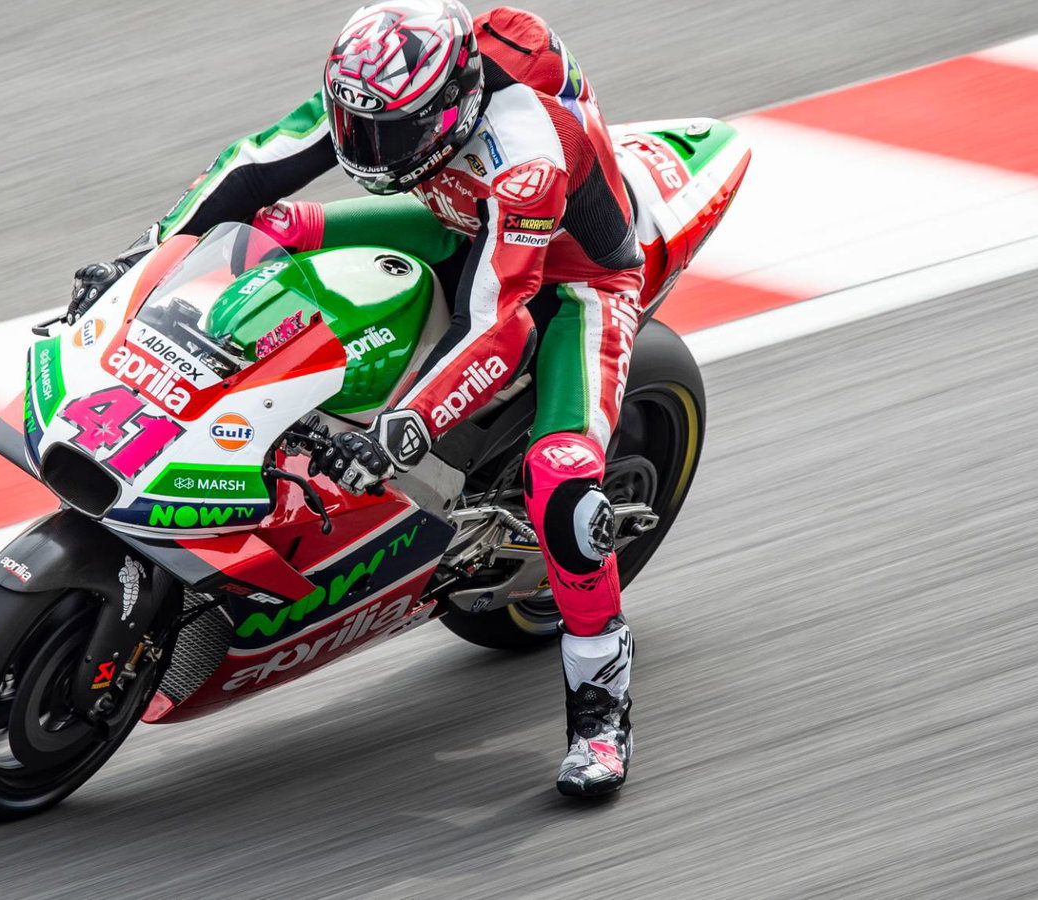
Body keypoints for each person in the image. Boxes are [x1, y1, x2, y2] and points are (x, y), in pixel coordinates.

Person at [68, 1, 644, 796]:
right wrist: (140, 262)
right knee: (273, 228)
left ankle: (601, 707)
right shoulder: (386, 86)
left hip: (571, 280)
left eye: (390, 133)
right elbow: (252, 166)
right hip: (454, 215)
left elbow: (499, 325)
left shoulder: (527, 155)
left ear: (454, 104)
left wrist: (399, 432)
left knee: (566, 482)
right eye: (358, 126)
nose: (368, 148)